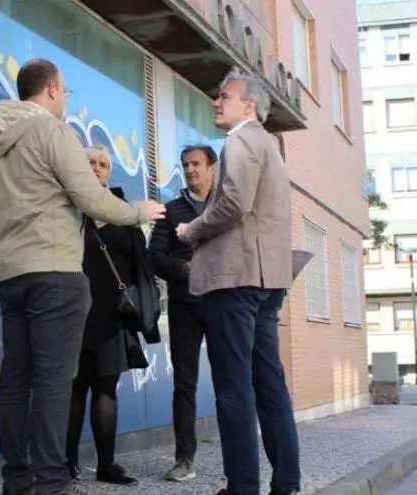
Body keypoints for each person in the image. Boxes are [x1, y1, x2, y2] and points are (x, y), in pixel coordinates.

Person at [0, 59, 166, 495]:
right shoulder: (54, 132)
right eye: (64, 90)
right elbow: (91, 198)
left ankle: (17, 480)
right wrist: (138, 211)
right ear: (52, 90)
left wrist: (9, 249)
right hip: (56, 274)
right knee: (54, 382)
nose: (64, 98)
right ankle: (51, 482)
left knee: (15, 379)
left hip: (10, 274)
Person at [175, 69, 300, 495]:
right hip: (267, 282)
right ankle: (286, 482)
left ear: (249, 106)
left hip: (236, 282)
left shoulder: (241, 140)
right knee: (269, 383)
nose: (216, 101)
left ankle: (243, 486)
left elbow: (233, 204)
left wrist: (192, 230)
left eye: (224, 96)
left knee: (233, 389)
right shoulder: (270, 146)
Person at [65, 145, 157, 487]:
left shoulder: (123, 211)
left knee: (106, 389)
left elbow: (141, 262)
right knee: (74, 390)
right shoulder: (70, 208)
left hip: (113, 315)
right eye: (90, 162)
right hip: (75, 313)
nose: (97, 168)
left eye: (103, 164)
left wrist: (138, 300)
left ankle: (106, 465)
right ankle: (66, 464)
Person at [148, 144, 217, 483]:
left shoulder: (225, 205)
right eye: (185, 164)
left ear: (212, 167)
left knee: (230, 380)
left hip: (222, 304)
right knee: (184, 384)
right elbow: (154, 257)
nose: (190, 170)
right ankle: (184, 459)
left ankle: (239, 460)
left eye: (196, 164)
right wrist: (185, 268)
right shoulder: (170, 210)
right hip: (184, 304)